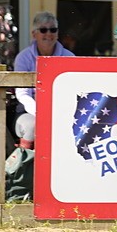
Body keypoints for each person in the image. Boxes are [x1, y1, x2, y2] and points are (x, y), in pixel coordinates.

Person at [13, 11, 75, 146]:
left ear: (58, 33)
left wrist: (58, 113)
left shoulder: (70, 57)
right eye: (43, 30)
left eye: (53, 29)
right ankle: (24, 165)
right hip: (28, 111)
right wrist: (42, 113)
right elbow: (22, 94)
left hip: (62, 110)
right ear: (34, 34)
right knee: (33, 126)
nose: (48, 34)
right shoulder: (23, 58)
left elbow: (73, 91)